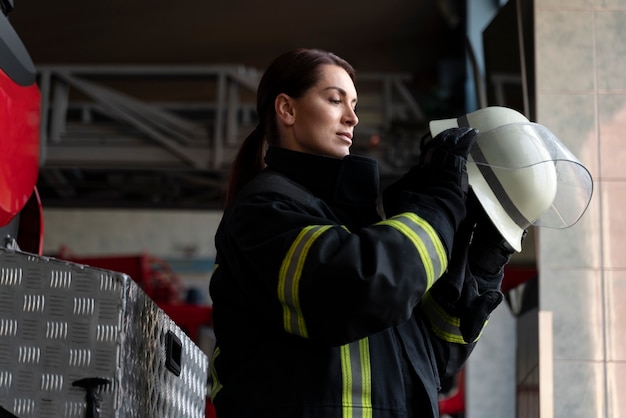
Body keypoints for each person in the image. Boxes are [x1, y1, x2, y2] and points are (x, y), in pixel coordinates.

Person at [208, 48, 517, 418]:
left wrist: (480, 265)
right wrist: (438, 202)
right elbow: (361, 289)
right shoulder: (264, 210)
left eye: (354, 104)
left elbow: (436, 359)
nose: (352, 117)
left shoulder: (361, 227)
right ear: (287, 109)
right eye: (335, 100)